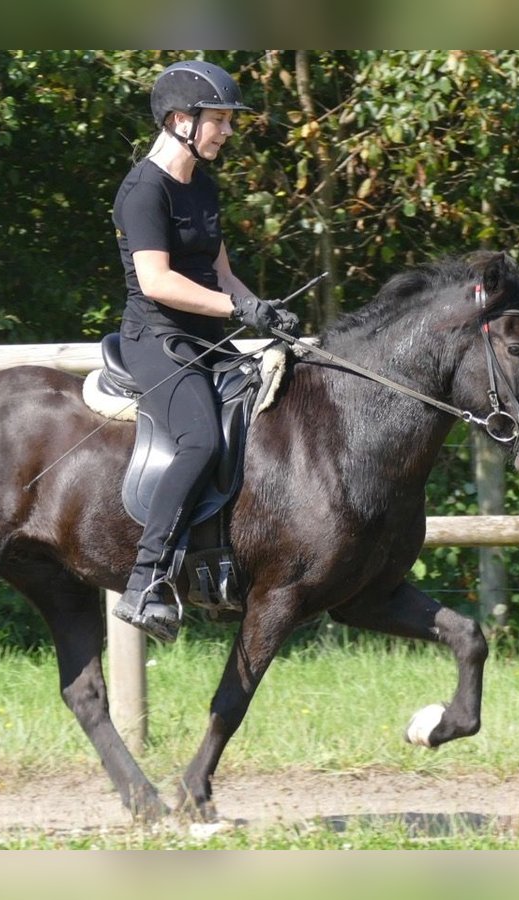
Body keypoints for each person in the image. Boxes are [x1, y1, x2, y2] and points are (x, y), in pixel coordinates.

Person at [109, 59, 300, 643]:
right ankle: (147, 579)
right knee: (199, 440)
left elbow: (220, 274)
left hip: (208, 338)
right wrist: (238, 312)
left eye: (226, 121)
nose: (226, 131)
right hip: (157, 340)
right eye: (217, 120)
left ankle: (219, 562)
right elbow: (159, 283)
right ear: (178, 120)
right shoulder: (143, 190)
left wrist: (263, 309)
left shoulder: (203, 184)